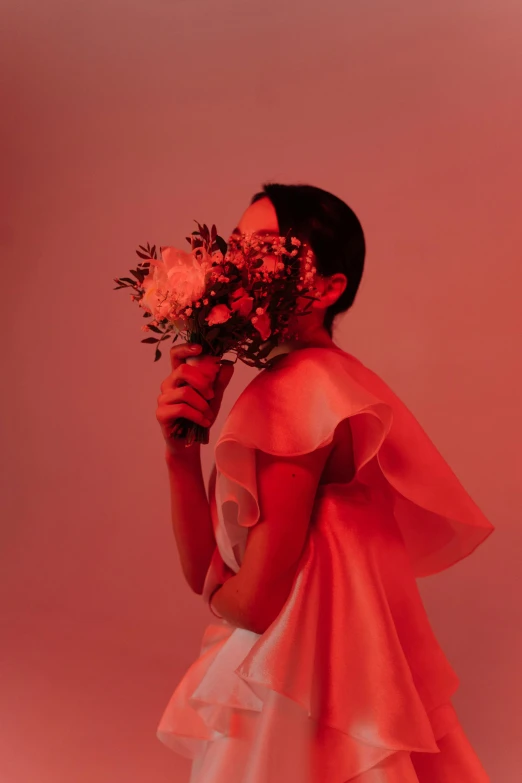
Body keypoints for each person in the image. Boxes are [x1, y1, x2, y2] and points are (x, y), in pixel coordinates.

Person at [155, 183, 494, 782]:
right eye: (233, 248)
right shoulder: (337, 378)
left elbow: (252, 605)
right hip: (341, 676)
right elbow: (211, 573)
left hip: (301, 687)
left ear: (327, 287)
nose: (236, 267)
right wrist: (182, 450)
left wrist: (216, 596)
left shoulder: (295, 394)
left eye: (264, 250)